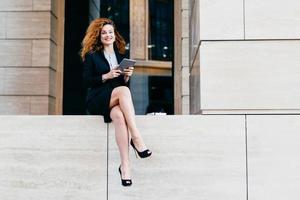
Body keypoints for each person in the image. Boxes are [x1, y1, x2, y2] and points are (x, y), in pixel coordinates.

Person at [80, 18, 152, 187]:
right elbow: (86, 82)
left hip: (115, 99)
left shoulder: (121, 56)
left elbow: (122, 86)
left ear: (114, 35)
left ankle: (125, 167)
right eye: (104, 33)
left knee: (119, 117)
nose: (108, 35)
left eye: (110, 32)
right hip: (97, 98)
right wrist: (106, 76)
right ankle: (136, 137)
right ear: (98, 36)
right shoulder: (92, 56)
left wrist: (126, 76)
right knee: (124, 92)